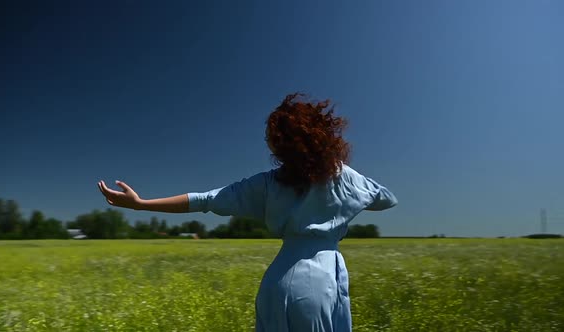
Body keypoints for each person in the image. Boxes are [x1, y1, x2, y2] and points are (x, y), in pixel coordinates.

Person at [97, 93, 398, 332]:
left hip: (276, 283)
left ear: (280, 146)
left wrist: (142, 204)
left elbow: (205, 200)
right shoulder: (342, 175)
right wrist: (345, 191)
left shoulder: (267, 185)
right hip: (320, 284)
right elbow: (386, 199)